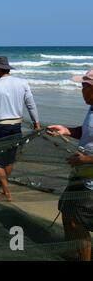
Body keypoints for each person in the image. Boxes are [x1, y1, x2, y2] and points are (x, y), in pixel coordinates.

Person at [47, 69, 93, 261]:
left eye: (84, 87)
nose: (81, 91)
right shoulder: (92, 108)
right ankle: (69, 250)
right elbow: (86, 132)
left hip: (90, 181)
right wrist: (66, 130)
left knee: (78, 221)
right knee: (66, 210)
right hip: (81, 174)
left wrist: (88, 160)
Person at [0, 56, 41, 202]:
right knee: (9, 159)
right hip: (16, 126)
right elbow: (31, 104)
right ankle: (4, 186)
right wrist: (36, 123)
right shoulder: (22, 83)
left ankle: (6, 192)